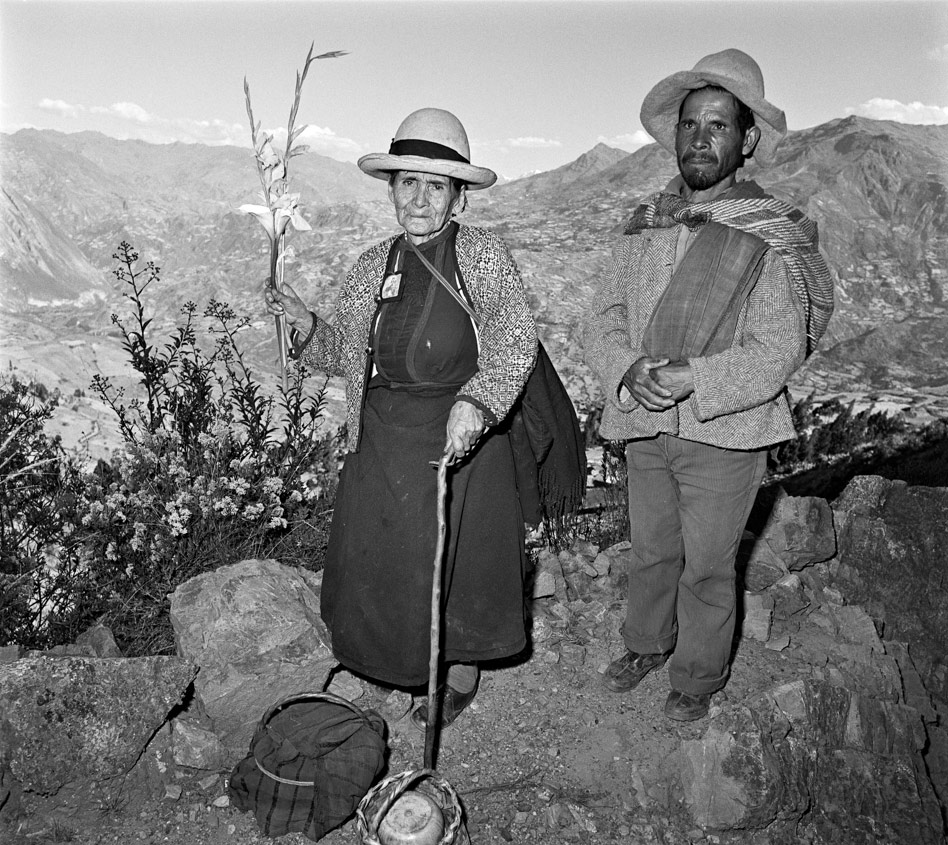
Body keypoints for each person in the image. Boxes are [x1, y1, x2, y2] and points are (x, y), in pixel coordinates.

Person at [265, 108, 538, 729]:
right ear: (391, 189)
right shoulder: (373, 264)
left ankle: (457, 670)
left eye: (435, 186)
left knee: (455, 561)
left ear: (458, 197)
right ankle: (395, 660)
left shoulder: (481, 256)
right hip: (384, 435)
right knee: (387, 558)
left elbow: (513, 339)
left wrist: (477, 404)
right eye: (407, 182)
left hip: (459, 432)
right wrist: (305, 322)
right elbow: (346, 352)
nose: (419, 198)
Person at [583, 49, 833, 722]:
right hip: (645, 422)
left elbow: (778, 348)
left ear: (746, 140)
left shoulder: (767, 236)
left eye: (718, 125)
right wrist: (627, 368)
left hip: (726, 432)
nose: (700, 137)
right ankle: (646, 643)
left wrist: (696, 376)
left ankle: (696, 676)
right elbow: (601, 317)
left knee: (708, 565)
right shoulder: (644, 224)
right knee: (652, 550)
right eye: (690, 123)